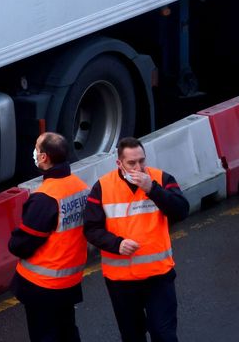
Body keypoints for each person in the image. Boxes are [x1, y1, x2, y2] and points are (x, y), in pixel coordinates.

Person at [84, 136, 190, 342]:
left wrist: (153, 189)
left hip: (158, 276)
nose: (138, 167)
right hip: (121, 281)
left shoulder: (162, 179)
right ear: (119, 163)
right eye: (131, 163)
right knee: (132, 336)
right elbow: (91, 229)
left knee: (164, 334)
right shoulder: (102, 187)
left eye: (142, 161)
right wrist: (117, 244)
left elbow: (181, 211)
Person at [8, 132, 90, 342]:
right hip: (70, 280)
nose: (34, 152)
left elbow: (22, 244)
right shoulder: (81, 187)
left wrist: (13, 242)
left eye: (37, 148)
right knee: (68, 331)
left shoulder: (45, 197)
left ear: (44, 158)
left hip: (42, 285)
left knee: (44, 335)